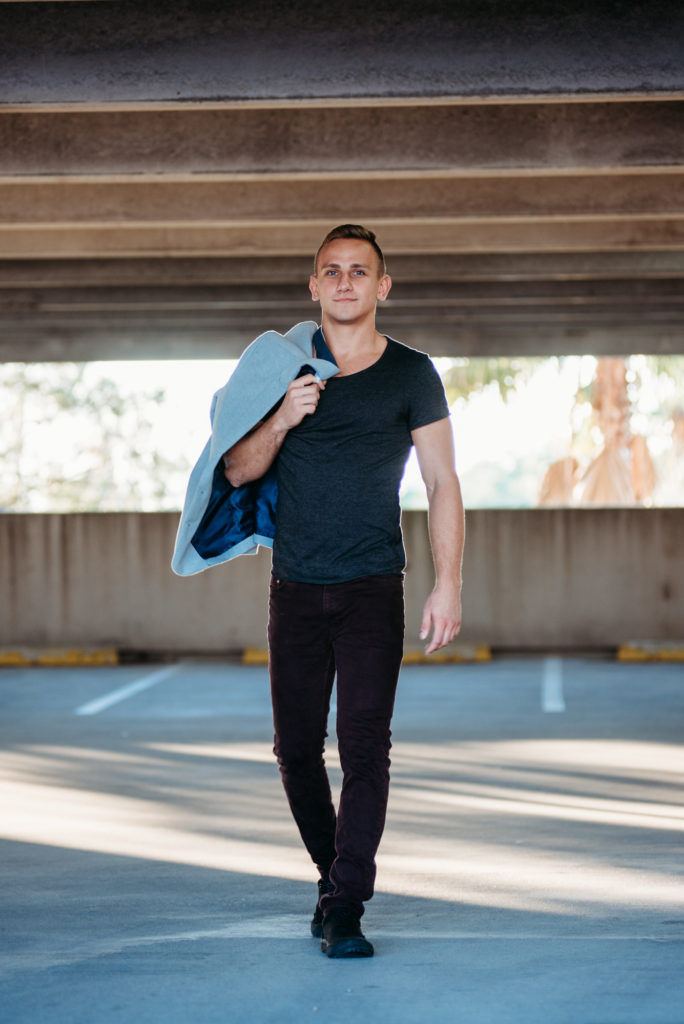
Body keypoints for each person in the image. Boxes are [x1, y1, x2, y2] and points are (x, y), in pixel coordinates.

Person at [224, 224, 465, 958]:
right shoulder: (282, 373)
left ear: (382, 287)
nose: (345, 282)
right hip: (294, 589)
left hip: (371, 588)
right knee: (296, 750)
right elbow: (236, 469)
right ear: (314, 286)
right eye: (331, 271)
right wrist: (283, 415)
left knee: (365, 748)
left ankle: (347, 904)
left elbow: (441, 481)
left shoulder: (412, 374)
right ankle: (335, 879)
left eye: (360, 271)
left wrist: (448, 582)